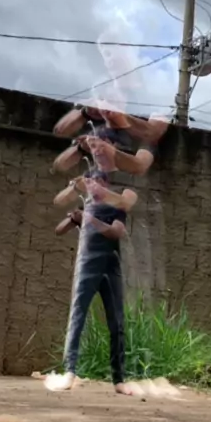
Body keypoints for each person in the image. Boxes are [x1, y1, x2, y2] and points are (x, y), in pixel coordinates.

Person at [48, 106, 169, 395]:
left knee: (117, 321)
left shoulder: (126, 184)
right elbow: (59, 202)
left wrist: (95, 207)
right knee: (77, 315)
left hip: (111, 261)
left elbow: (121, 217)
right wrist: (76, 189)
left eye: (105, 146)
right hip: (87, 259)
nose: (100, 151)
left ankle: (119, 379)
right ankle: (69, 371)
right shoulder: (89, 178)